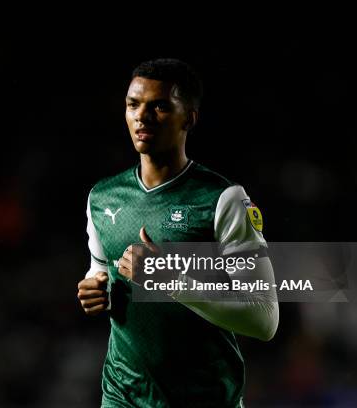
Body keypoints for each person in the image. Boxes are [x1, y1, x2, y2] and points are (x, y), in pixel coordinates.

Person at [77, 58, 279, 407]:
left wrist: (169, 279)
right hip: (123, 396)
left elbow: (264, 318)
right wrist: (94, 287)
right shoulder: (102, 197)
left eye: (159, 107)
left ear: (189, 118)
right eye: (133, 105)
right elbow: (100, 269)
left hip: (206, 397)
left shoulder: (223, 199)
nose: (142, 116)